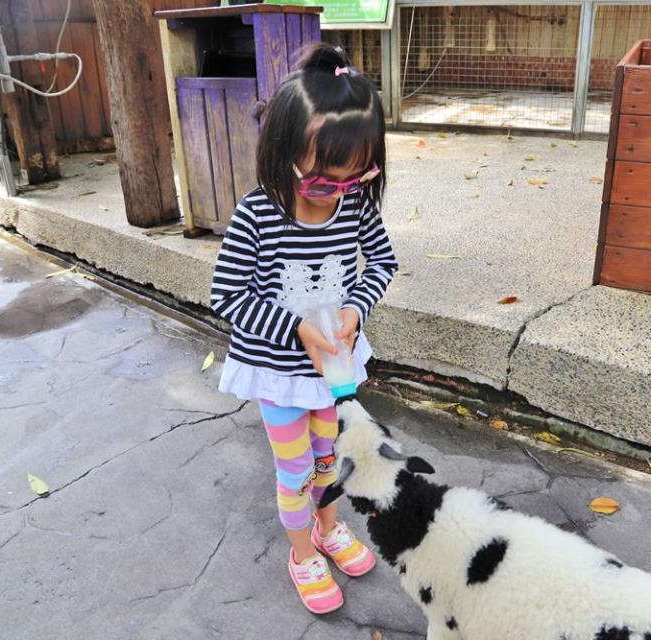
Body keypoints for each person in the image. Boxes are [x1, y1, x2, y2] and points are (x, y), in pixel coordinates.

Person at [209, 43, 398, 614]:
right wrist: (297, 329)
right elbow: (228, 296)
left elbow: (383, 263)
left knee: (327, 460)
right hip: (281, 375)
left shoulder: (356, 203)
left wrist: (355, 310)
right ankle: (302, 554)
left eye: (355, 177)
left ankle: (327, 524)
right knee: (294, 469)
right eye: (323, 182)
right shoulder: (258, 214)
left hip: (334, 365)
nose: (339, 192)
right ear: (282, 150)